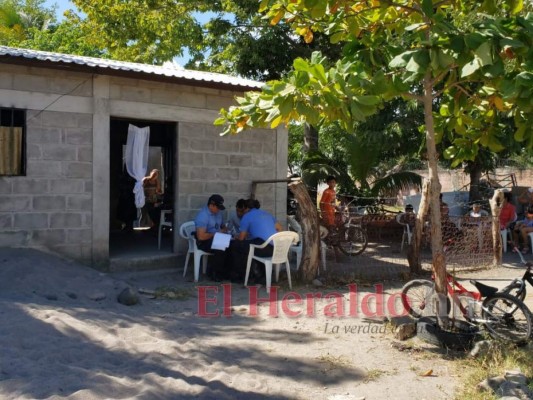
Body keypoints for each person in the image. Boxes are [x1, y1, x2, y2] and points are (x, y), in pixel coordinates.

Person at [229, 199, 282, 283]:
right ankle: (261, 274)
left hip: (263, 248)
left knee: (235, 245)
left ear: (246, 208)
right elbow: (279, 228)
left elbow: (241, 238)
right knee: (251, 246)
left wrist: (235, 237)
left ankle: (240, 276)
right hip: (275, 249)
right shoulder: (267, 214)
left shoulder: (247, 216)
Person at [194, 194, 230, 281]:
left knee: (232, 245)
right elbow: (201, 237)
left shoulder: (218, 213)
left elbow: (222, 225)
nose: (218, 210)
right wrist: (216, 233)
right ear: (211, 205)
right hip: (204, 241)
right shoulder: (203, 216)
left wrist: (224, 229)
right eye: (217, 207)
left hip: (216, 237)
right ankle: (214, 273)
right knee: (221, 247)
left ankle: (227, 272)